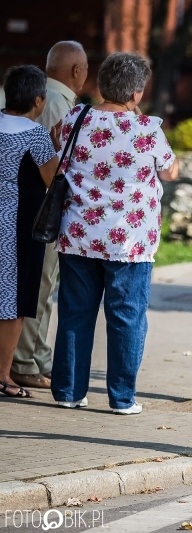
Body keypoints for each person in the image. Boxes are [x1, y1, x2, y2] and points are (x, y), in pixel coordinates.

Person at [50, 52, 179, 414]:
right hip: (129, 242)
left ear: (101, 85)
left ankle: (68, 392)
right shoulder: (147, 129)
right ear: (136, 93)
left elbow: (58, 149)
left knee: (75, 313)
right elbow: (170, 172)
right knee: (126, 317)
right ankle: (122, 398)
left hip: (78, 233)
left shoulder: (76, 117)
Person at [11, 41, 89, 392]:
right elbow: (51, 170)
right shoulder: (58, 105)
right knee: (37, 287)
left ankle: (32, 357)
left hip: (20, 210)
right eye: (86, 68)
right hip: (39, 213)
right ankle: (25, 361)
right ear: (76, 71)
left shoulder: (44, 97)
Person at [0, 65, 60, 398]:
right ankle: (4, 375)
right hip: (16, 226)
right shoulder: (35, 135)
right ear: (38, 100)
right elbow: (52, 180)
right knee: (13, 301)